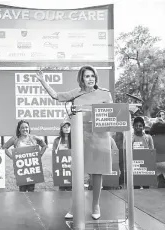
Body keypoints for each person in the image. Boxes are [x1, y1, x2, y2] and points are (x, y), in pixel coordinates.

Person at [36, 65, 112, 220]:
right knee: (78, 173)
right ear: (81, 79)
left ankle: (95, 205)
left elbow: (111, 115)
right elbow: (56, 96)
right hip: (81, 138)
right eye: (87, 76)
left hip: (100, 138)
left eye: (92, 76)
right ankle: (74, 207)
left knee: (97, 172)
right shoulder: (75, 93)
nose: (90, 79)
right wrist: (43, 81)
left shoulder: (105, 94)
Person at [3, 120, 47, 192]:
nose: (25, 129)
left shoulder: (34, 138)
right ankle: (22, 203)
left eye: (26, 127)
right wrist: (12, 157)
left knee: (31, 189)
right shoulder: (15, 139)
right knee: (22, 189)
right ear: (19, 129)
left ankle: (31, 203)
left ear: (29, 128)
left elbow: (44, 146)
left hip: (31, 168)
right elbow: (4, 147)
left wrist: (40, 155)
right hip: (21, 169)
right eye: (22, 128)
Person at [130, 117, 154, 189]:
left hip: (146, 164)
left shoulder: (148, 137)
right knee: (136, 186)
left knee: (146, 185)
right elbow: (128, 150)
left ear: (143, 127)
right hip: (135, 165)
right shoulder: (130, 138)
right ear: (133, 126)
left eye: (140, 126)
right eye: (136, 125)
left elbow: (151, 150)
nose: (138, 127)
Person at [52, 120, 72, 191]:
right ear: (61, 129)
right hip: (61, 169)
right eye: (64, 127)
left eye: (68, 126)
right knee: (61, 190)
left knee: (71, 190)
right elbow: (55, 154)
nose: (67, 128)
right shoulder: (57, 140)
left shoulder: (75, 139)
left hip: (71, 168)